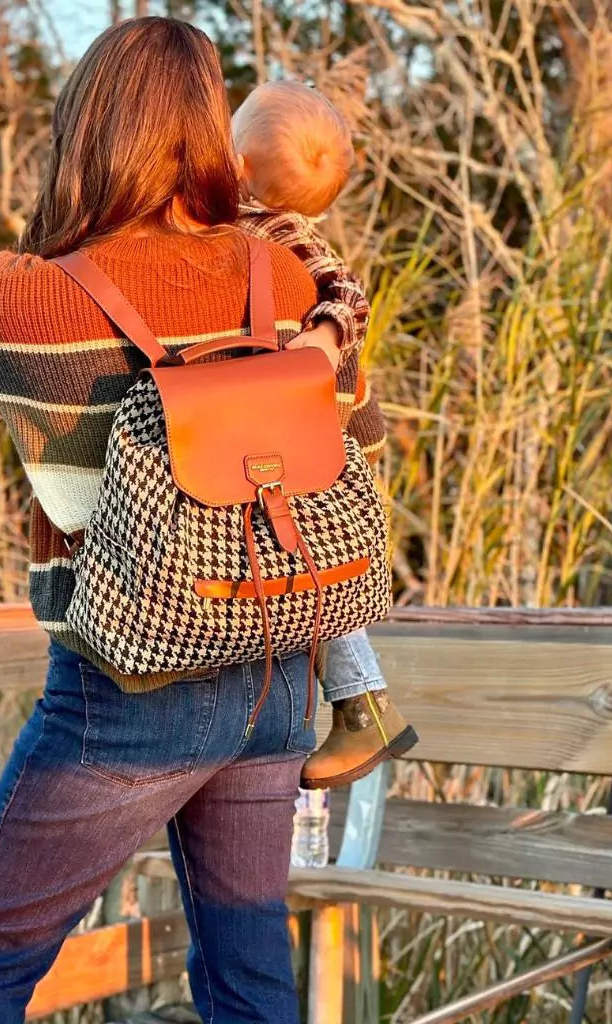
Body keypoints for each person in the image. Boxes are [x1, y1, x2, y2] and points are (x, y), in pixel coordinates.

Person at [0, 17, 377, 1024]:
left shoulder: (29, 301)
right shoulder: (273, 275)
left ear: (88, 129)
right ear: (207, 129)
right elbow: (356, 426)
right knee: (247, 978)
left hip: (132, 688)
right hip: (274, 663)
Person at [233, 81, 418, 789]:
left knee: (319, 585)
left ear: (242, 168)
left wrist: (325, 334)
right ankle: (361, 708)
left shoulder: (274, 234)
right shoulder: (268, 231)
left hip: (306, 442)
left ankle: (364, 710)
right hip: (316, 436)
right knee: (318, 580)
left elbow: (349, 292)